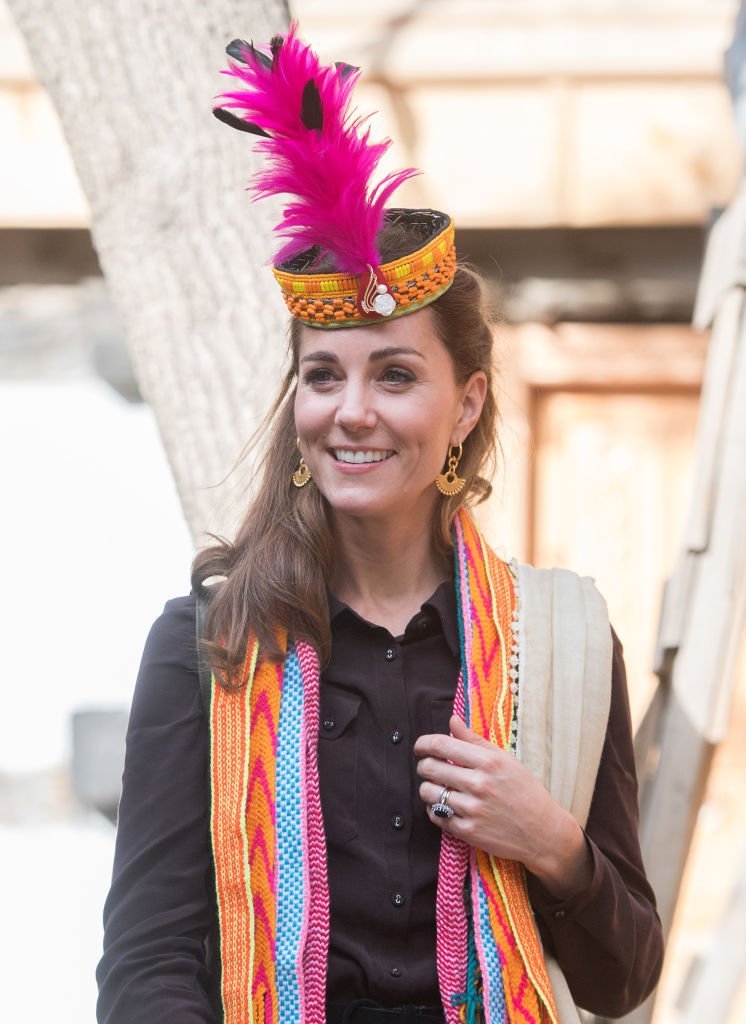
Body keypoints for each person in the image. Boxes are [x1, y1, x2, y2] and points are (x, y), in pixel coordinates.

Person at [96, 25, 663, 1024]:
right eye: (324, 375)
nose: (349, 410)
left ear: (467, 403)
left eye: (393, 374)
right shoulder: (208, 649)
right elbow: (147, 966)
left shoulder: (561, 643)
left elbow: (623, 982)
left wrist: (552, 844)